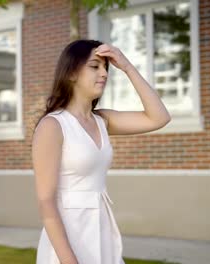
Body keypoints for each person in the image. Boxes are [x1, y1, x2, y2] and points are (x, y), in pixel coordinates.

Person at [32, 40, 171, 264]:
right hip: (67, 237)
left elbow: (159, 117)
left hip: (101, 228)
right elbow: (46, 201)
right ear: (71, 73)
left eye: (106, 67)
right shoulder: (53, 125)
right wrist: (69, 261)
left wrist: (126, 66)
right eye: (95, 66)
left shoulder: (102, 121)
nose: (104, 73)